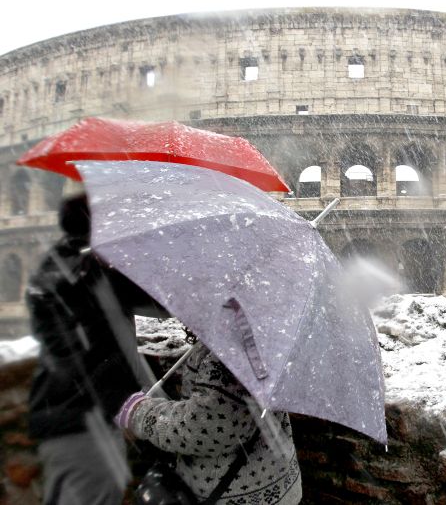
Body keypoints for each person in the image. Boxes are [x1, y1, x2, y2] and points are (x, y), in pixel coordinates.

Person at [26, 193, 164, 505]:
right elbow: (160, 322)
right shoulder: (96, 271)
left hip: (59, 414)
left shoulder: (57, 264)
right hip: (87, 423)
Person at [115, 343, 302, 504]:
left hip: (233, 493)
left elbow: (202, 429)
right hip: (275, 479)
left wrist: (138, 413)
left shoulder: (228, 351)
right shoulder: (265, 336)